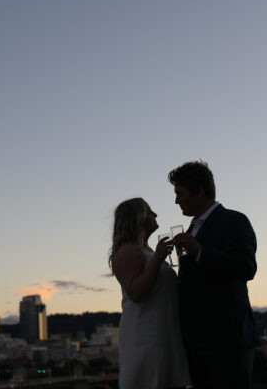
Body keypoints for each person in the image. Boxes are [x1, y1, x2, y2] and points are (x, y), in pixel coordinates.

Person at [170, 161, 259, 389]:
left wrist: (200, 251)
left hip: (228, 340)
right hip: (195, 342)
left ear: (199, 191)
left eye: (180, 193)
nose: (176, 200)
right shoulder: (191, 230)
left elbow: (246, 267)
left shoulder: (234, 221)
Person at [110, 197, 191, 389]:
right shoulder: (127, 251)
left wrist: (182, 256)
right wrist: (158, 259)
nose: (155, 215)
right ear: (136, 218)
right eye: (149, 212)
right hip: (146, 337)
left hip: (163, 334)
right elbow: (136, 292)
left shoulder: (145, 251)